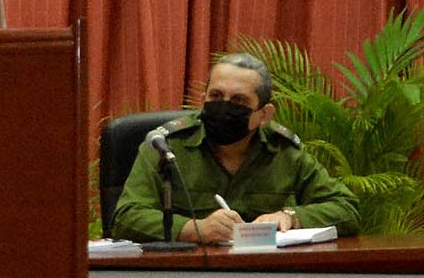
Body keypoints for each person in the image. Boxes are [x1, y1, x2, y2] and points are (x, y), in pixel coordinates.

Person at [109, 52, 360, 245]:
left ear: (264, 114)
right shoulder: (165, 146)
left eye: (238, 100)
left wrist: (290, 216)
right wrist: (195, 229)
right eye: (216, 96)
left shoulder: (284, 152)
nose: (224, 107)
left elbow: (346, 209)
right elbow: (126, 217)